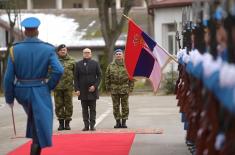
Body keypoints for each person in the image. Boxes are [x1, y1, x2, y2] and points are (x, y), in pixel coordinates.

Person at [4, 17, 64, 155]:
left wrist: (9, 98)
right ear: (37, 31)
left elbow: (8, 78)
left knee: (36, 121)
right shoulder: (48, 48)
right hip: (40, 90)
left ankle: (35, 145)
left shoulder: (14, 50)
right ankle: (35, 147)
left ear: (25, 31)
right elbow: (59, 70)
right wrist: (49, 86)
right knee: (41, 123)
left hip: (21, 91)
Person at [105, 49, 134, 128]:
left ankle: (124, 122)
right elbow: (107, 78)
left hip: (124, 88)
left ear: (122, 55)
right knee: (116, 106)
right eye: (117, 54)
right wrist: (108, 89)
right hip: (114, 89)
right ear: (114, 56)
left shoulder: (127, 65)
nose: (118, 55)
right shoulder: (110, 66)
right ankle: (118, 122)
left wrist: (130, 89)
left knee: (125, 106)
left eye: (120, 54)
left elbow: (131, 78)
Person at [74, 48, 101, 131]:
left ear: (91, 54)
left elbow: (99, 76)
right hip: (82, 91)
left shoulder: (95, 63)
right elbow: (76, 78)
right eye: (85, 53)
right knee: (84, 109)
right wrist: (77, 89)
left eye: (88, 53)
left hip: (92, 90)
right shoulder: (78, 64)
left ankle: (92, 125)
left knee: (93, 109)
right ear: (83, 54)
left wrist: (95, 86)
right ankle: (86, 125)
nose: (87, 54)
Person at [54, 44, 76, 131]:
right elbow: (49, 73)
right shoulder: (54, 60)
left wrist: (76, 86)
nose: (63, 51)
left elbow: (76, 74)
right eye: (61, 50)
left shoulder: (72, 61)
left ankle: (67, 123)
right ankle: (60, 123)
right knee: (58, 105)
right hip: (57, 87)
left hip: (68, 87)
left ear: (66, 51)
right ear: (58, 52)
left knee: (68, 105)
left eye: (64, 50)